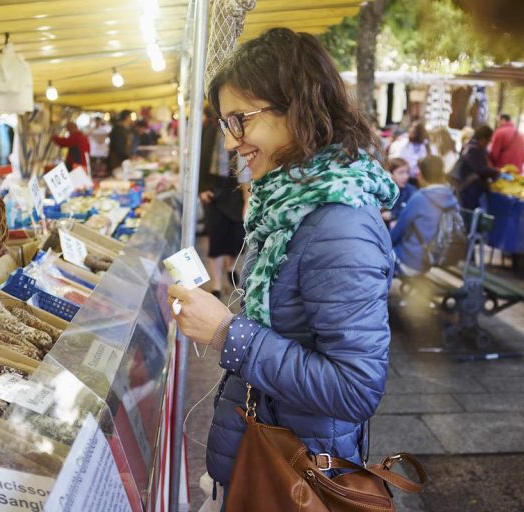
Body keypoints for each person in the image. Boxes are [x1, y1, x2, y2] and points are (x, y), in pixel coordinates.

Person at [167, 28, 398, 507]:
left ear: (297, 106)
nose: (232, 143)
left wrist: (228, 335)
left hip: (297, 475)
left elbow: (355, 389)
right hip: (270, 456)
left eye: (240, 120)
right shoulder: (290, 204)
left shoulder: (337, 225)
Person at [199, 106, 249, 299]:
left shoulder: (244, 129)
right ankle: (217, 285)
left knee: (237, 238)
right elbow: (201, 160)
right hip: (216, 191)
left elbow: (250, 168)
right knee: (217, 240)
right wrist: (203, 188)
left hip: (239, 190)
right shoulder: (211, 130)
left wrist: (248, 198)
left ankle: (231, 269)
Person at [390, 155, 460, 276]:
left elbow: (396, 233)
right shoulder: (451, 198)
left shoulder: (419, 198)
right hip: (434, 259)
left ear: (421, 175)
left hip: (409, 261)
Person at [457, 124, 500, 210]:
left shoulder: (474, 147)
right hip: (470, 191)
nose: (488, 143)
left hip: (471, 190)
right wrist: (495, 171)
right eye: (488, 140)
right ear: (483, 139)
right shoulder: (473, 150)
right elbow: (480, 169)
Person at [382, 157, 416, 226]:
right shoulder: (383, 189)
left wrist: (393, 215)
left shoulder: (411, 191)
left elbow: (413, 211)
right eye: (401, 173)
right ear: (390, 174)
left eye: (407, 172)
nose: (406, 176)